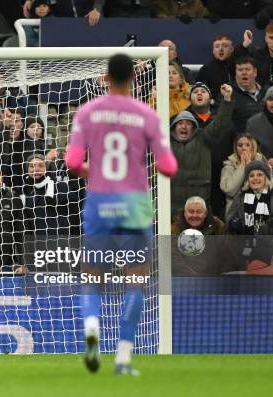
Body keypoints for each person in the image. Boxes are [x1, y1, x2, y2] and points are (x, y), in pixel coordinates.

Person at [65, 54, 178, 375]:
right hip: (135, 204)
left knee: (91, 279)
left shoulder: (88, 112)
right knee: (136, 281)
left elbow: (72, 162)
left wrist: (96, 171)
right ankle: (124, 358)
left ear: (105, 77)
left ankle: (91, 336)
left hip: (100, 201)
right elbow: (169, 166)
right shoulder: (146, 115)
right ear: (133, 77)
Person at [169, 85, 234, 216]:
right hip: (171, 205)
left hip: (198, 204)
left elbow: (220, 124)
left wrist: (227, 100)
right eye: (180, 123)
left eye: (188, 124)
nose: (184, 126)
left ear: (194, 127)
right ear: (174, 127)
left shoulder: (203, 138)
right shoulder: (164, 143)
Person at [171, 196, 234, 276]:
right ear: (185, 213)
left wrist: (219, 278)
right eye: (191, 211)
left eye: (199, 212)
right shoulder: (175, 229)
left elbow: (228, 255)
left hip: (213, 279)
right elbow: (174, 258)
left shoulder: (218, 227)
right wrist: (193, 277)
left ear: (205, 213)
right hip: (185, 279)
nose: (194, 215)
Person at [221, 133, 268, 216]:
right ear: (235, 148)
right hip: (236, 214)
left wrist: (251, 167)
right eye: (240, 145)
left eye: (247, 145)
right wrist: (242, 167)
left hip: (260, 211)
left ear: (253, 147)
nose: (243, 148)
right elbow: (229, 190)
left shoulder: (262, 163)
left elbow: (267, 188)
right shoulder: (228, 166)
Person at [246, 87, 273, 162]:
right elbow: (250, 150)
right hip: (261, 168)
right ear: (265, 102)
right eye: (270, 99)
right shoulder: (253, 123)